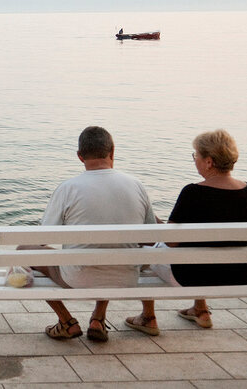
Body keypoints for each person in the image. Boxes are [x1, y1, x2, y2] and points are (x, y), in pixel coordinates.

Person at [126, 129, 247, 333]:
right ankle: (200, 309)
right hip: (237, 275)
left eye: (196, 155)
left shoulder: (193, 193)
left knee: (148, 246)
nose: (195, 160)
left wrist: (153, 224)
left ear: (209, 162)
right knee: (200, 249)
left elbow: (171, 242)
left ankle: (148, 316)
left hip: (190, 276)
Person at [33, 126, 157, 342]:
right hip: (126, 278)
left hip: (78, 278)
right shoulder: (136, 185)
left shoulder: (68, 188)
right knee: (112, 249)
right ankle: (98, 318)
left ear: (80, 157)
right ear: (112, 151)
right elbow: (150, 239)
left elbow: (43, 238)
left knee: (26, 250)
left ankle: (66, 321)